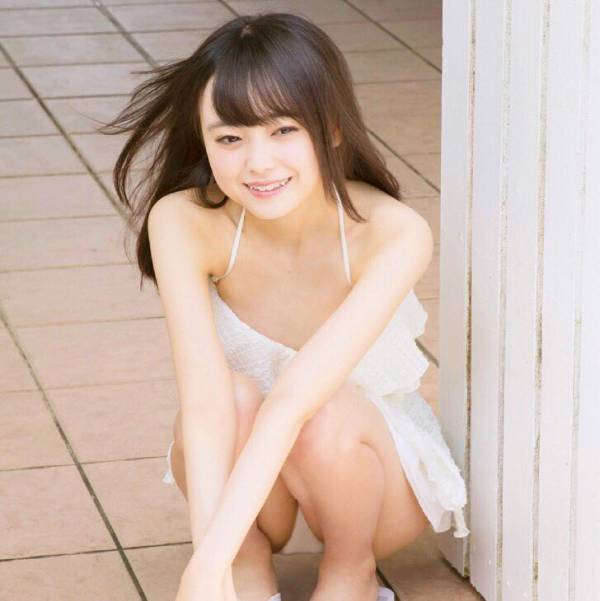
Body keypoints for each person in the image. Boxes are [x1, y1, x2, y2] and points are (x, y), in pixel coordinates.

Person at [99, 12, 469, 601]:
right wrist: (212, 565)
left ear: (333, 127)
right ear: (204, 141)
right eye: (230, 138)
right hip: (259, 487)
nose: (259, 164)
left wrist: (202, 568)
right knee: (230, 397)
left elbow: (295, 401)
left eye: (283, 130)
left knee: (324, 413)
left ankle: (350, 573)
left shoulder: (393, 232)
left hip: (370, 482)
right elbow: (205, 407)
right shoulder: (183, 221)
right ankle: (245, 567)